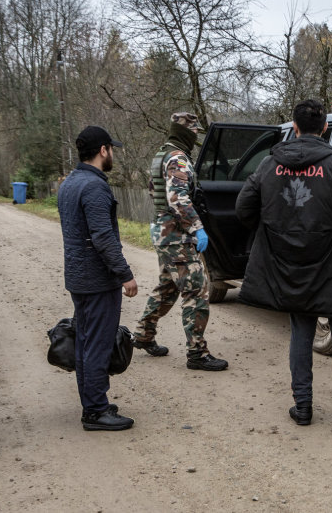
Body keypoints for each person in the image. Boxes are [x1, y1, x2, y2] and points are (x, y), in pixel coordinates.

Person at [235, 99, 332, 426]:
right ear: (326, 128)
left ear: (296, 127)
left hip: (286, 263)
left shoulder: (268, 164)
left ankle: (302, 407)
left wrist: (275, 230)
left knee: (300, 332)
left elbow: (243, 208)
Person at [58, 125, 139, 431]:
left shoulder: (70, 183)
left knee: (85, 341)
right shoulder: (94, 187)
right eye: (111, 149)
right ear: (103, 150)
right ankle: (95, 410)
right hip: (97, 280)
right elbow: (102, 237)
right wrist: (125, 275)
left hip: (79, 277)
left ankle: (92, 402)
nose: (113, 154)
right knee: (98, 344)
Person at [133, 112, 228, 371]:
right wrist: (197, 229)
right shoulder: (177, 158)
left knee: (168, 286)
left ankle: (143, 334)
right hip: (176, 235)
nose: (196, 136)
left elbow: (159, 195)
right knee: (196, 290)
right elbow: (178, 199)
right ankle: (197, 353)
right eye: (194, 132)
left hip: (163, 232)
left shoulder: (162, 154)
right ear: (186, 132)